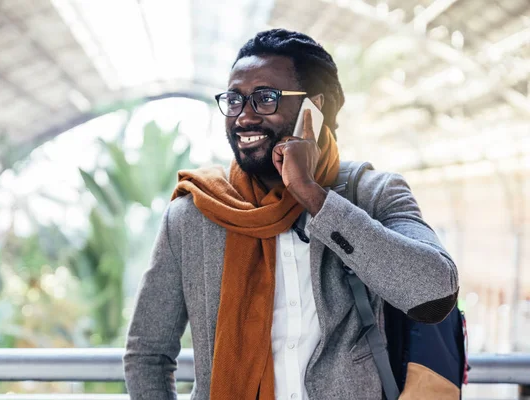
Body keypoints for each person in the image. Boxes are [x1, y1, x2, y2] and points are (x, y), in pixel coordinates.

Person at [123, 29, 459, 400]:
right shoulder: (194, 214)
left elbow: (435, 294)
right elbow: (148, 354)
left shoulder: (374, 194)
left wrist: (315, 198)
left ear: (315, 109)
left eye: (265, 98)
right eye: (234, 100)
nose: (243, 117)